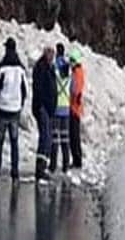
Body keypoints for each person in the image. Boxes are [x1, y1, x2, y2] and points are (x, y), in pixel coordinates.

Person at [0, 37, 27, 188]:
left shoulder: (2, 67)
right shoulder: (20, 69)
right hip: (15, 110)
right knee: (14, 143)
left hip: (3, 109)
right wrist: (20, 104)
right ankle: (15, 174)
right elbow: (25, 91)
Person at [32, 46, 57, 182]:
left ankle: (43, 166)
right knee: (45, 137)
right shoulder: (41, 68)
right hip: (43, 107)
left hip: (48, 108)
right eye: (50, 54)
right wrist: (43, 105)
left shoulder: (49, 67)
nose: (52, 57)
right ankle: (40, 168)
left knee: (47, 138)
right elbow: (40, 88)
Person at [49, 44, 71, 174]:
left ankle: (53, 165)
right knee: (65, 138)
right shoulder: (68, 71)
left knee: (55, 138)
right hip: (66, 108)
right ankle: (66, 164)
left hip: (56, 107)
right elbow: (72, 88)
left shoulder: (54, 69)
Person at [69, 48, 85, 169]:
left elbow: (76, 90)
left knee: (74, 136)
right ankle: (76, 159)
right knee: (73, 136)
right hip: (74, 107)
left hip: (74, 109)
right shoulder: (77, 72)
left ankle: (77, 160)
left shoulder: (77, 73)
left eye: (71, 60)